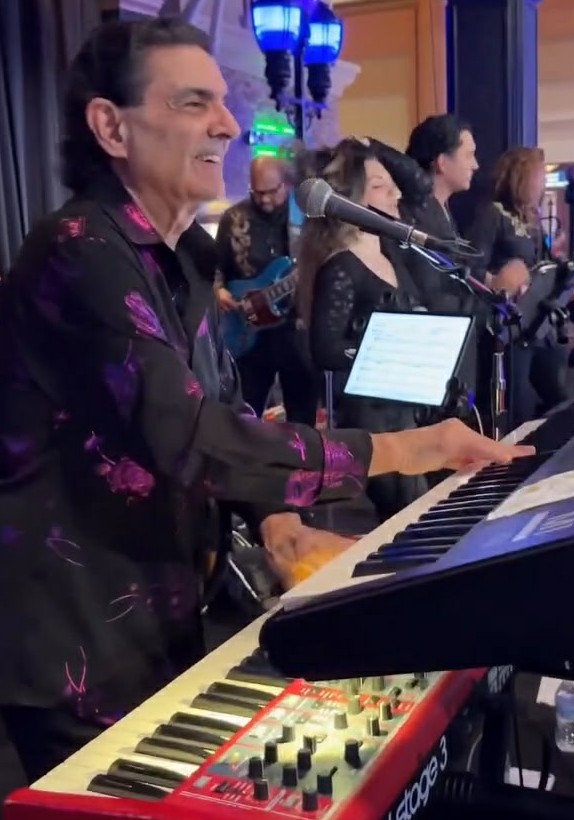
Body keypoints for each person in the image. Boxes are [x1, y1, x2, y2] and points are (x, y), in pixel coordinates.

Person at [0, 18, 534, 786]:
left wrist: (280, 526)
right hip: (76, 645)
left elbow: (228, 409)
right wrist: (408, 448)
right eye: (194, 103)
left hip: (161, 614)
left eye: (223, 101)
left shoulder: (185, 254)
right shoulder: (78, 250)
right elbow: (190, 437)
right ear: (112, 127)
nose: (228, 123)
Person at [297, 137, 428, 521]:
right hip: (372, 416)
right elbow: (324, 348)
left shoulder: (391, 253)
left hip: (404, 407)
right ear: (352, 199)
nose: (395, 194)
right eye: (381, 186)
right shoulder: (341, 266)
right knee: (403, 515)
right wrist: (380, 350)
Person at [467, 146, 571, 423]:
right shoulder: (493, 214)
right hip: (510, 328)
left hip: (538, 323)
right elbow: (471, 266)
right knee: (518, 407)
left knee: (560, 397)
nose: (543, 183)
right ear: (523, 177)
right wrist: (499, 282)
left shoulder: (533, 219)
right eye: (540, 176)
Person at [215, 156, 318, 425]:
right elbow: (215, 267)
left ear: (287, 184)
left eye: (270, 191)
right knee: (244, 417)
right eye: (256, 192)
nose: (263, 199)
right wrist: (219, 290)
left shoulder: (307, 218)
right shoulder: (233, 218)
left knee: (301, 418)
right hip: (247, 330)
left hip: (296, 331)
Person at [405, 114, 529, 303]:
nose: (475, 165)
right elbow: (438, 295)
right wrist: (498, 289)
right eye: (469, 155)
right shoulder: (419, 218)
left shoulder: (441, 209)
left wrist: (493, 281)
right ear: (442, 162)